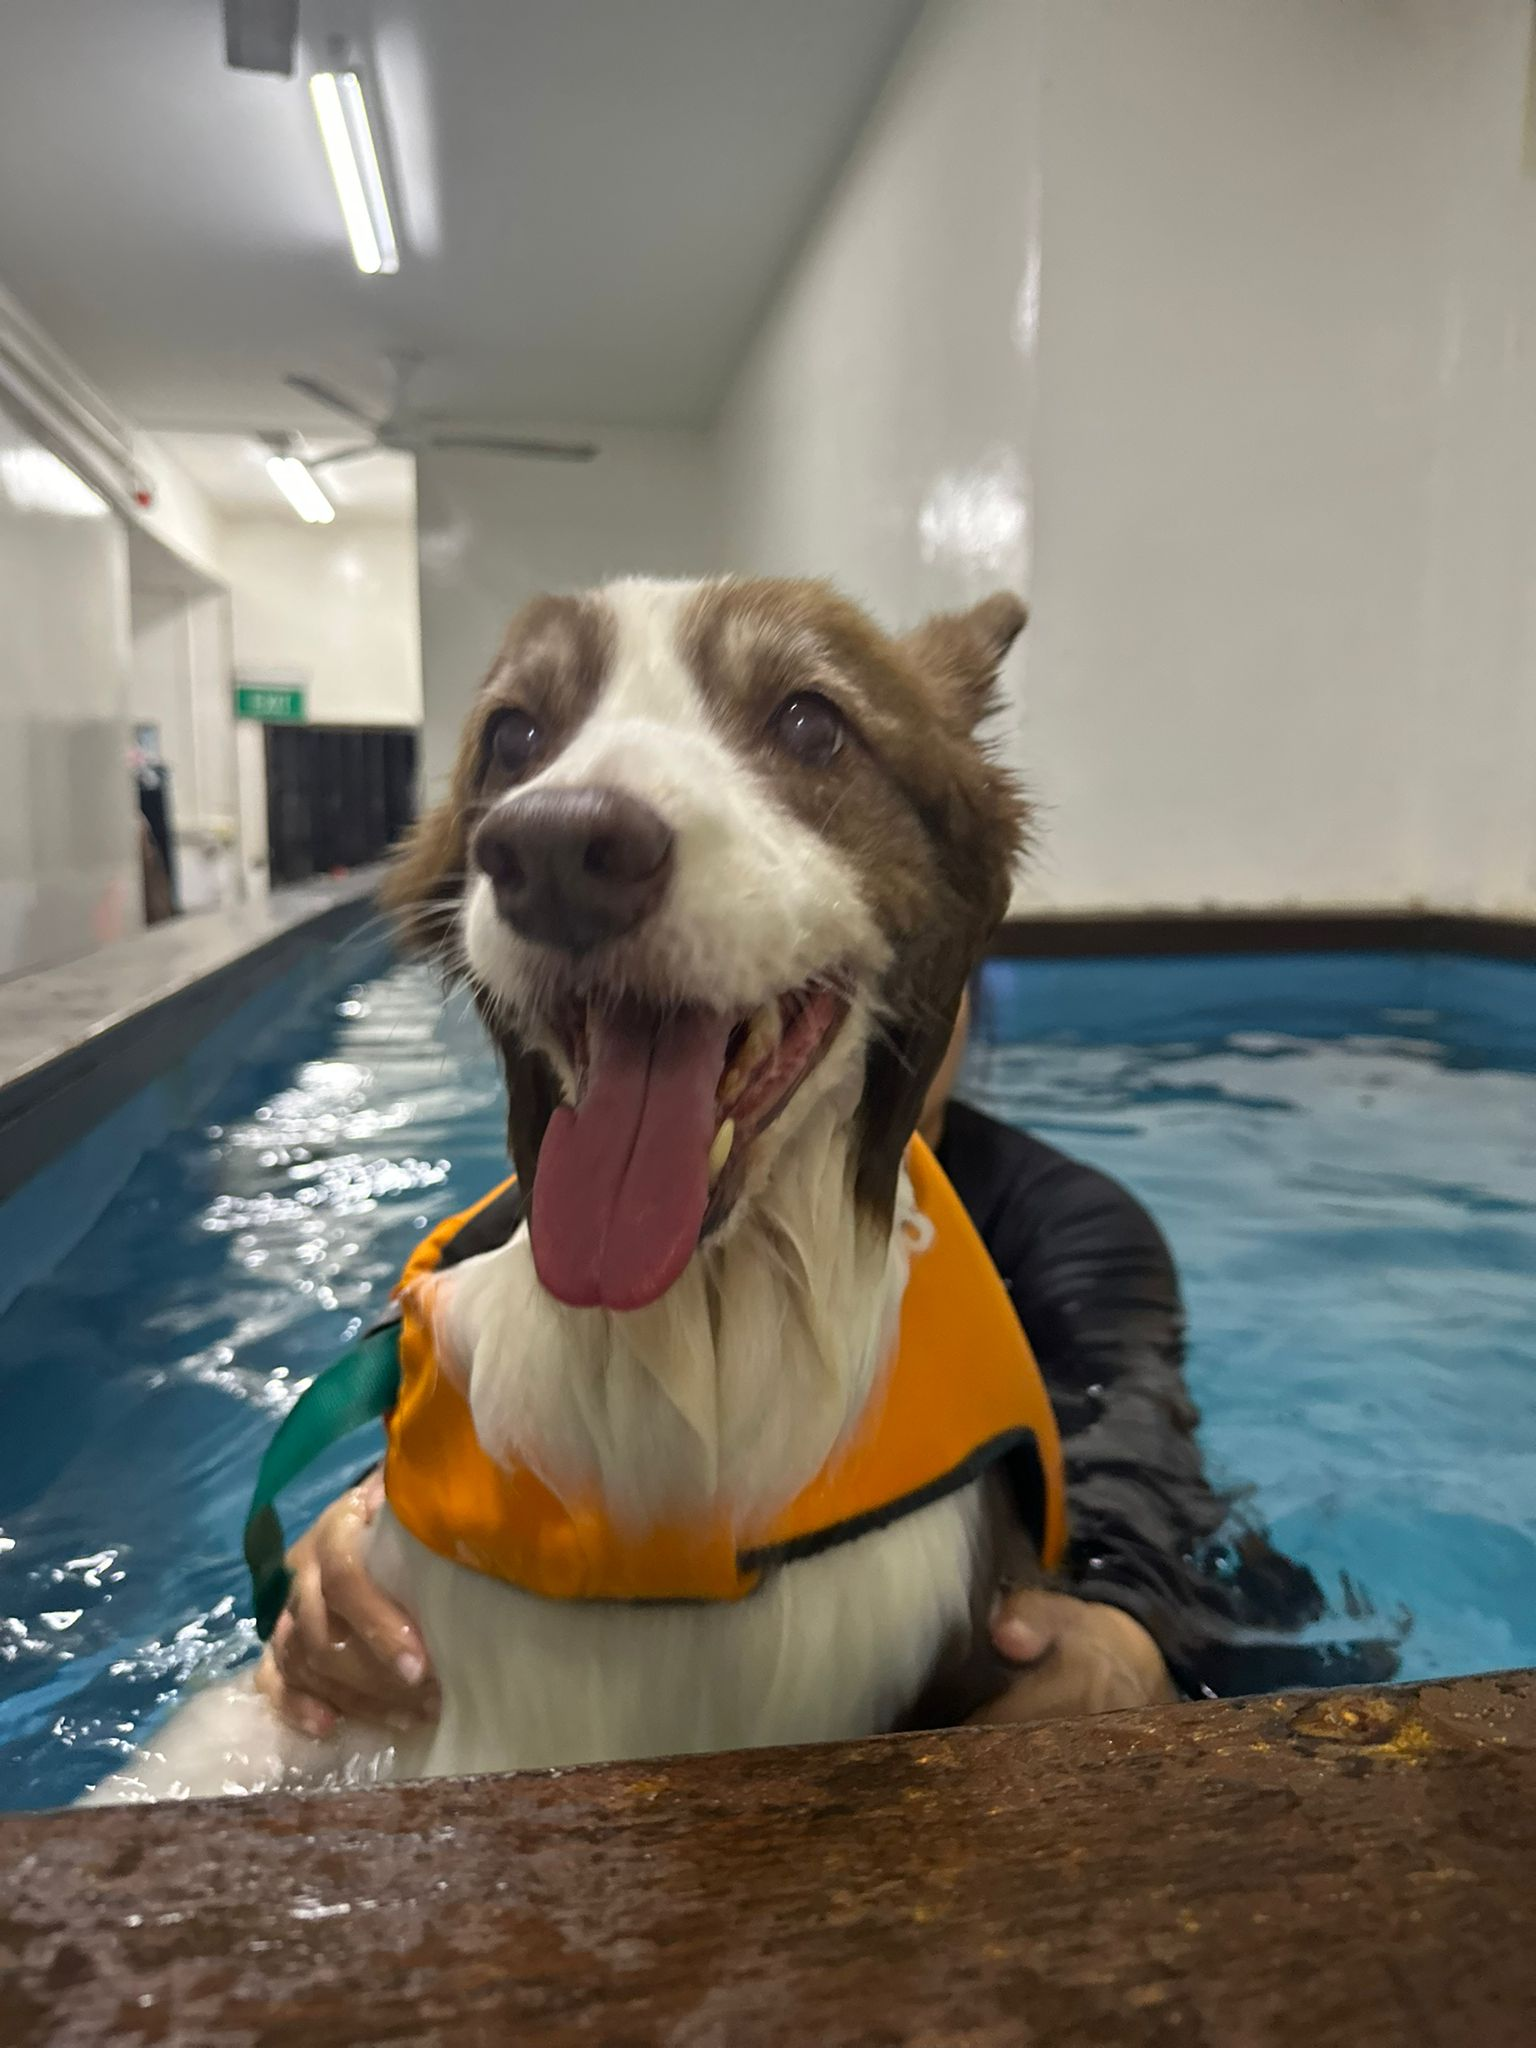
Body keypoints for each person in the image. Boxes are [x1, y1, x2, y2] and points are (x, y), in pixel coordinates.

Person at [256, 992, 1377, 1739]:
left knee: (1288, 1639)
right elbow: (431, 1405)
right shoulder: (573, 1220)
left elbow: (1133, 1435)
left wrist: (1130, 1624)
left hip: (949, 1648)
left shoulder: (1067, 1220)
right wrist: (349, 1545)